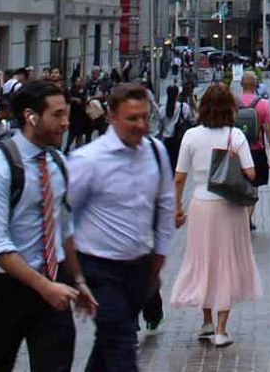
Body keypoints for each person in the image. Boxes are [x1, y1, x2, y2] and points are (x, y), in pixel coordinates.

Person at [0, 79, 97, 371]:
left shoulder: (57, 162)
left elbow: (64, 228)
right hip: (2, 289)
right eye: (58, 115)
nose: (66, 123)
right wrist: (45, 287)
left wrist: (76, 280)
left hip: (53, 282)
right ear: (31, 116)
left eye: (67, 114)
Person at [68, 82, 175, 370]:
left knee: (108, 346)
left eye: (144, 116)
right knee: (121, 341)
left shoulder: (156, 152)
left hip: (140, 266)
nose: (141, 125)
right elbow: (64, 217)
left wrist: (158, 259)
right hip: (100, 268)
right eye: (132, 118)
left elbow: (165, 205)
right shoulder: (87, 160)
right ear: (111, 117)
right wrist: (75, 276)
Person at [170, 81, 262, 348]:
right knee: (226, 263)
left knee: (203, 260)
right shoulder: (236, 136)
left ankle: (206, 321)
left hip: (200, 204)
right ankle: (222, 329)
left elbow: (178, 178)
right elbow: (251, 173)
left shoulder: (190, 136)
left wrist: (178, 208)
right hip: (230, 206)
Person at [236, 70, 270, 229]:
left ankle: (238, 218)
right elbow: (268, 129)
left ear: (241, 84)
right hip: (257, 151)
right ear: (256, 85)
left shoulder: (234, 102)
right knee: (254, 187)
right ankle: (247, 219)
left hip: (237, 151)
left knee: (238, 185)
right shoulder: (263, 104)